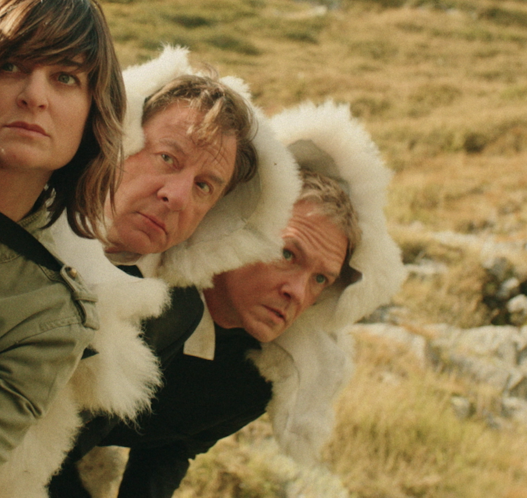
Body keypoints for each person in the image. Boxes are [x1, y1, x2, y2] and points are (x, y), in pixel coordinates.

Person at [0, 47, 300, 498]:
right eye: (167, 158)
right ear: (121, 138)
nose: (178, 196)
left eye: (204, 186)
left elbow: (75, 442)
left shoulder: (173, 313)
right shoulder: (18, 194)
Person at [57, 102, 406, 498]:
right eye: (288, 254)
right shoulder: (139, 297)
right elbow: (43, 429)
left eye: (320, 279)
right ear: (242, 229)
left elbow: (177, 441)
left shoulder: (256, 380)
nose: (297, 291)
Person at [0, 0, 125, 483]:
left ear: (92, 114)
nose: (34, 95)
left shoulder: (51, 315)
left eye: (65, 78)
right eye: (11, 65)